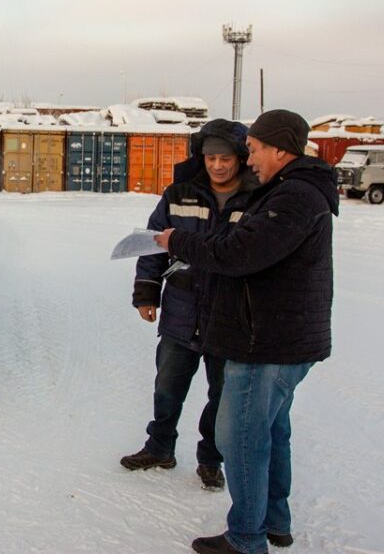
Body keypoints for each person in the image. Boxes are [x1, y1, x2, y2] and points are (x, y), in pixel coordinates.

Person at [154, 109, 339, 554]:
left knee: (240, 441)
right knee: (272, 433)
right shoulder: (293, 190)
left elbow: (240, 253)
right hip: (281, 337)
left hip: (267, 341)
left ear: (279, 148)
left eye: (253, 149)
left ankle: (246, 538)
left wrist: (174, 241)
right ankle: (274, 522)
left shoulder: (294, 196)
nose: (247, 158)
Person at [121, 119, 258, 491]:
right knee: (167, 386)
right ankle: (160, 446)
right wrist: (146, 293)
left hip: (228, 316)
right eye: (211, 157)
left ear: (241, 158)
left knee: (222, 394)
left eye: (225, 158)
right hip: (181, 310)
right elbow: (152, 243)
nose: (217, 165)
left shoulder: (257, 197)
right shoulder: (179, 193)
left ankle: (211, 459)